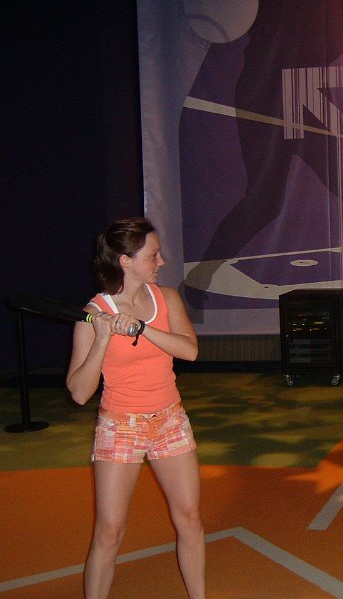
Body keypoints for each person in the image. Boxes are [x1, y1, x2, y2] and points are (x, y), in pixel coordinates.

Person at [66, 217, 205, 599]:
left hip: (170, 419)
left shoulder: (167, 299)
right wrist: (102, 338)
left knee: (190, 517)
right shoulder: (94, 313)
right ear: (125, 261)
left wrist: (142, 328)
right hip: (120, 425)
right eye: (153, 255)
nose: (161, 262)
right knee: (109, 531)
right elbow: (79, 392)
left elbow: (190, 351)